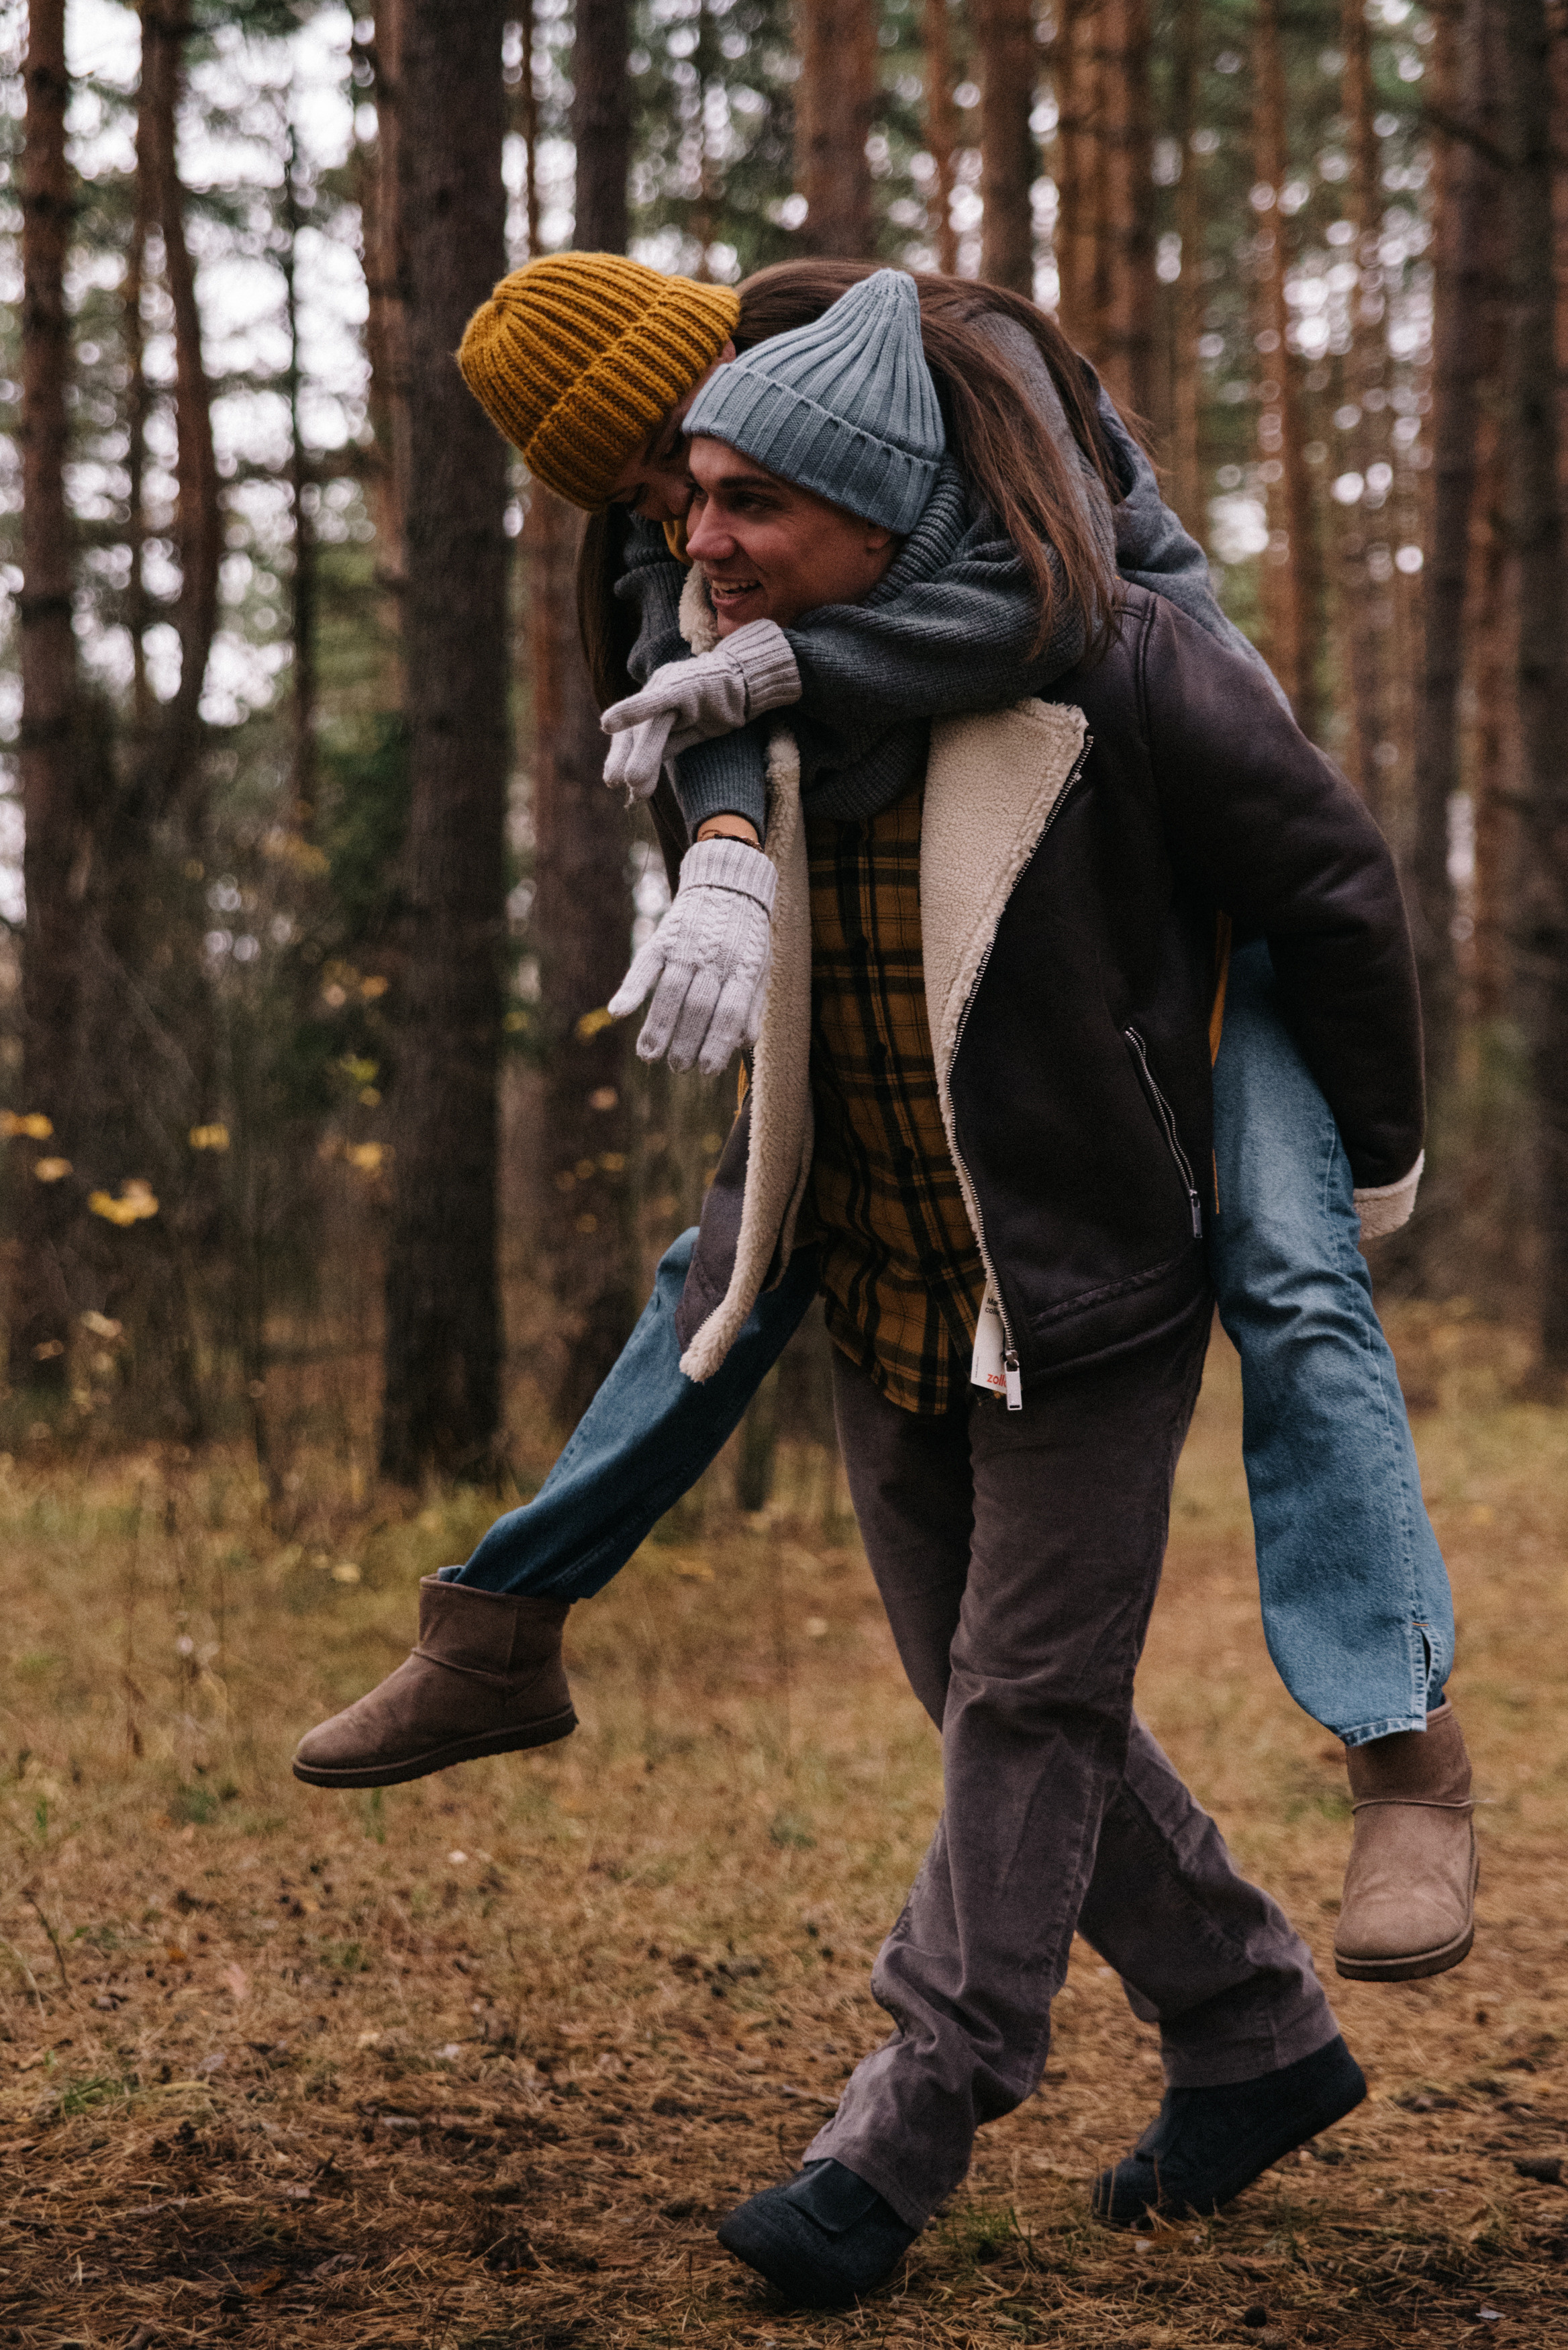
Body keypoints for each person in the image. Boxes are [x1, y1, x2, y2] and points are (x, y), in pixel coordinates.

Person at [292, 254, 1475, 1996]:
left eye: (668, 479)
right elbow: (677, 662)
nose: (665, 526)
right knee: (744, 1242)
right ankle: (505, 1624)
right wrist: (723, 846)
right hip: (1008, 882)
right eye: (634, 500)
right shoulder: (704, 504)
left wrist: (1381, 1149)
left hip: (1198, 837)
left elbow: (1051, 615)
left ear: (713, 380)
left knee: (1295, 1269)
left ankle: (1403, 1753)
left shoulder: (950, 360)